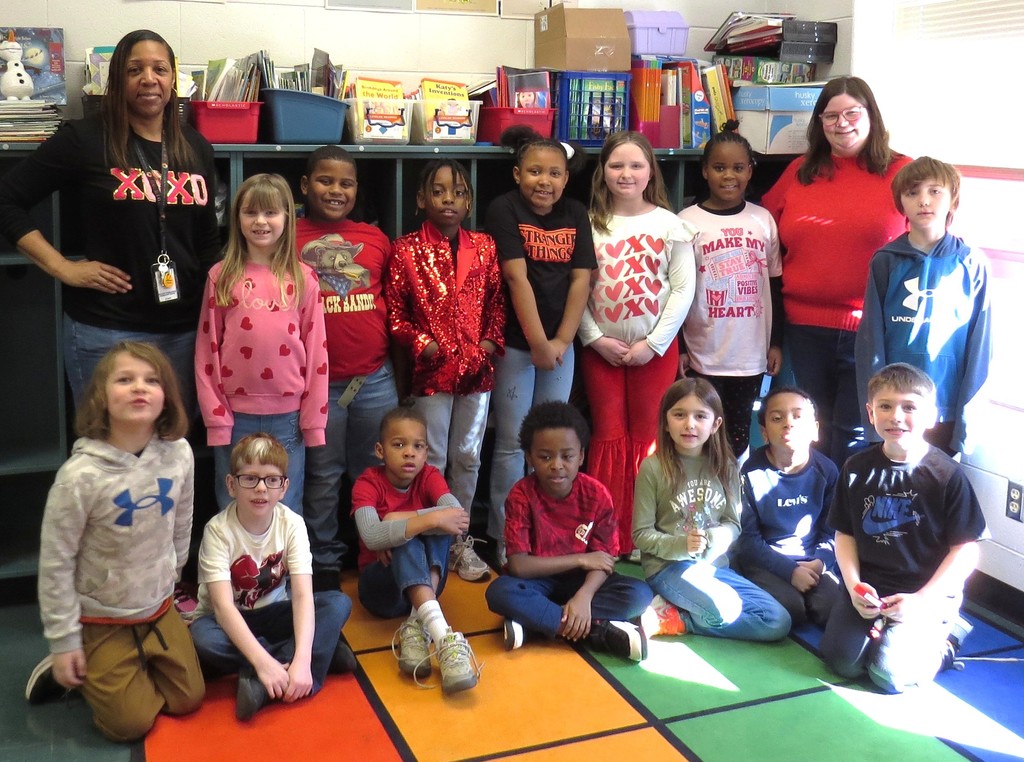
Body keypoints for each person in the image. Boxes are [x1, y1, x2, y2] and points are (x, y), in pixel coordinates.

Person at [0, 29, 219, 417]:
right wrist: (62, 267)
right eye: (135, 69)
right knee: (109, 455)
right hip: (107, 332)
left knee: (170, 452)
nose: (149, 79)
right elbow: (7, 200)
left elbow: (206, 243)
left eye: (160, 69)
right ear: (117, 79)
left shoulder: (194, 146)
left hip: (184, 332)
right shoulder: (84, 139)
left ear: (173, 79)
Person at [25, 341, 204, 741]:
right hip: (100, 614)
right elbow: (57, 563)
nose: (139, 388)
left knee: (189, 699)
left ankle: (114, 671)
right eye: (125, 380)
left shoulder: (179, 454)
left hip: (156, 605)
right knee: (130, 724)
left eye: (151, 380)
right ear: (102, 398)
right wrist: (63, 640)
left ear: (166, 397)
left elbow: (182, 517)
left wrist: (172, 572)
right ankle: (75, 661)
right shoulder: (79, 477)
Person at [761, 76, 912, 466]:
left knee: (854, 435)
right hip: (803, 330)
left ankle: (844, 525)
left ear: (871, 116)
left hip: (871, 330)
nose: (841, 123)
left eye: (851, 113)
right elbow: (760, 225)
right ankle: (813, 522)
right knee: (806, 433)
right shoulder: (801, 171)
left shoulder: (902, 173)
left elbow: (930, 239)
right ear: (819, 122)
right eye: (830, 116)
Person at [820, 363, 987, 693]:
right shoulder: (856, 467)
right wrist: (854, 586)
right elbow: (845, 535)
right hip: (872, 588)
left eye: (909, 407)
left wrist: (923, 600)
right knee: (842, 662)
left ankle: (948, 637)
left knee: (888, 676)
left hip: (924, 592)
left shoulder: (946, 475)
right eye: (885, 406)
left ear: (930, 416)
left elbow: (967, 550)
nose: (896, 416)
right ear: (870, 413)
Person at [387, 159, 504, 583]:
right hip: (432, 374)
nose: (448, 200)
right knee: (430, 457)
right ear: (421, 199)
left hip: (477, 372)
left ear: (469, 201)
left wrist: (489, 345)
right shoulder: (405, 250)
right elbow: (396, 315)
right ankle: (432, 537)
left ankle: (459, 540)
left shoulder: (486, 246)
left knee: (468, 457)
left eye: (457, 192)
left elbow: (496, 304)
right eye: (438, 191)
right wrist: (426, 345)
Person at [580, 131, 696, 556]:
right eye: (616, 165)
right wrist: (594, 339)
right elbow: (576, 290)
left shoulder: (670, 224)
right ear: (603, 172)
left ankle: (652, 534)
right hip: (601, 353)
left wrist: (654, 343)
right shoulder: (588, 224)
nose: (625, 174)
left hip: (655, 353)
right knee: (608, 435)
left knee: (652, 436)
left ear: (650, 171)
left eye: (635, 165)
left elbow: (682, 291)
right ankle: (610, 535)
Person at [485, 126, 597, 567]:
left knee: (551, 445)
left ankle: (547, 533)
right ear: (517, 174)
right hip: (517, 345)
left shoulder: (575, 213)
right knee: (514, 443)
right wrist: (537, 342)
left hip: (560, 348)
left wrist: (562, 342)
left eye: (554, 172)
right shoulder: (504, 209)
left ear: (567, 178)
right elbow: (515, 277)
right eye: (534, 171)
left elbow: (581, 279)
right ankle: (506, 537)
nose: (544, 181)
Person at [189, 433, 355, 721]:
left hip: (276, 613)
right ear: (231, 484)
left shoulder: (292, 524)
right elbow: (224, 608)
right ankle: (320, 655)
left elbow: (302, 595)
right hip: (229, 621)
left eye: (271, 480)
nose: (261, 488)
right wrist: (264, 662)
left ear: (284, 487)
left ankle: (267, 685)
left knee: (338, 603)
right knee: (202, 639)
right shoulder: (218, 531)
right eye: (249, 478)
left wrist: (302, 662)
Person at [295, 145, 399, 592]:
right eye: (325, 180)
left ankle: (374, 554)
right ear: (304, 186)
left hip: (374, 379)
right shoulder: (287, 237)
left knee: (374, 473)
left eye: (346, 183)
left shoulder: (375, 239)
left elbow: (394, 307)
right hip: (316, 385)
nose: (335, 190)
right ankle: (323, 561)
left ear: (357, 189)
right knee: (323, 476)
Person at [195, 173, 327, 513]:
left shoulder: (304, 278)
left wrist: (313, 423)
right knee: (232, 505)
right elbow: (206, 352)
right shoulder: (221, 276)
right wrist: (217, 419)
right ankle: (234, 568)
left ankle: (280, 569)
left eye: (271, 213)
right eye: (251, 212)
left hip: (288, 418)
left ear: (287, 217)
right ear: (237, 218)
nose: (261, 221)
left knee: (285, 507)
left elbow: (317, 355)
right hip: (235, 416)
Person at [485, 401, 653, 660]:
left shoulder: (597, 494)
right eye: (545, 456)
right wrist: (580, 558)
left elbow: (604, 561)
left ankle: (535, 624)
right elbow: (518, 566)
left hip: (583, 581)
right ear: (529, 457)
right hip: (537, 581)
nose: (557, 465)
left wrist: (584, 596)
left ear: (581, 456)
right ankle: (597, 632)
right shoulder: (521, 495)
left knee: (639, 594)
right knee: (499, 592)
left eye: (567, 455)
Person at [632, 378, 791, 642]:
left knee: (777, 621)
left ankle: (680, 618)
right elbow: (641, 535)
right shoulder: (653, 468)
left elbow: (732, 523)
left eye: (700, 416)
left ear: (715, 424)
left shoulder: (726, 466)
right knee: (725, 609)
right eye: (679, 415)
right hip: (668, 568)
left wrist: (718, 537)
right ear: (666, 421)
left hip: (715, 567)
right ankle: (681, 612)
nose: (689, 424)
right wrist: (682, 545)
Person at [855, 157, 991, 456]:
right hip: (894, 412)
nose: (924, 201)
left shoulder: (972, 263)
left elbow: (980, 348)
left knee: (936, 493)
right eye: (913, 192)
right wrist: (876, 416)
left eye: (935, 191)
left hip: (943, 410)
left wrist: (967, 424)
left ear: (953, 199)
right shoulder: (885, 261)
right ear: (901, 203)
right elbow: (871, 344)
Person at [351, 404, 480, 695]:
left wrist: (396, 522)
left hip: (425, 589)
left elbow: (457, 520)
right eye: (399, 445)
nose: (410, 452)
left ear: (426, 452)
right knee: (414, 538)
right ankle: (444, 636)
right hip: (381, 590)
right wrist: (431, 518)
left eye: (418, 446)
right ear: (380, 450)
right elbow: (372, 535)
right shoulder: (367, 483)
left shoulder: (429, 476)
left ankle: (418, 627)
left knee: (427, 535)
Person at [678, 125, 783, 459]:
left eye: (738, 168)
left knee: (738, 438)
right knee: (700, 434)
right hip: (703, 354)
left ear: (750, 170)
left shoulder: (762, 219)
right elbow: (678, 291)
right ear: (705, 170)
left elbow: (776, 285)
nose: (729, 176)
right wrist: (680, 347)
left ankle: (732, 503)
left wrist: (776, 341)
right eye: (720, 167)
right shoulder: (686, 221)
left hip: (750, 356)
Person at [733, 387, 841, 628]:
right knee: (792, 610)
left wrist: (821, 562)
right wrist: (789, 571)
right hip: (765, 560)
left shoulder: (828, 471)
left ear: (815, 430)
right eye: (777, 418)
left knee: (831, 608)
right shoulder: (749, 474)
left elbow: (833, 532)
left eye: (798, 416)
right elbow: (748, 540)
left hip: (810, 560)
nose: (788, 424)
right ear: (764, 433)